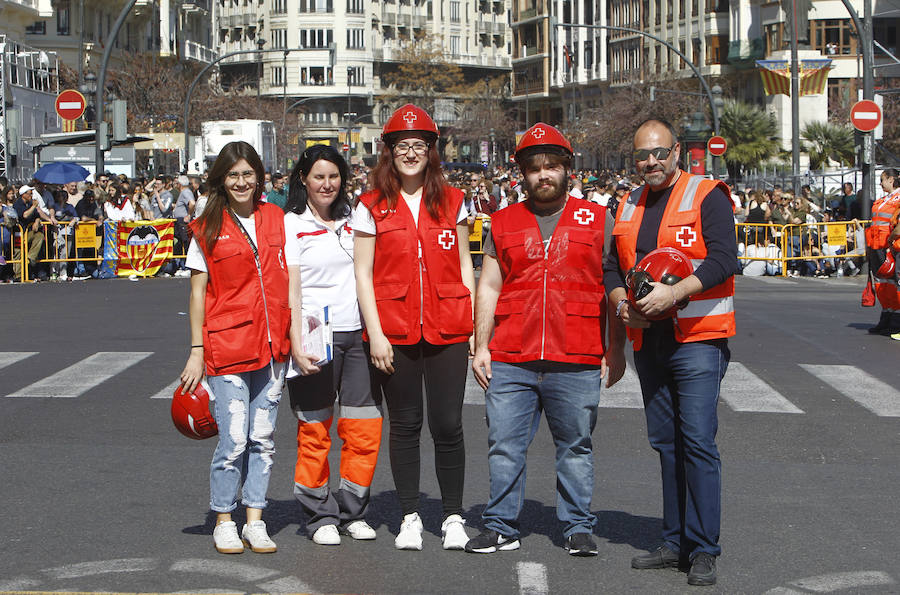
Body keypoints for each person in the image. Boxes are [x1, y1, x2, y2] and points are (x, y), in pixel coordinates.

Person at [465, 123, 624, 557]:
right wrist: (481, 345)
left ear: (568, 169)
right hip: (512, 353)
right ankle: (500, 525)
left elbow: (614, 286)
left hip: (576, 353)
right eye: (534, 168)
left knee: (575, 446)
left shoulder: (598, 220)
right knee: (504, 445)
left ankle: (576, 526)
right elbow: (490, 286)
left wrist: (617, 347)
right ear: (522, 174)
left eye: (552, 165)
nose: (543, 175)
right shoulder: (502, 221)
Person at [604, 119, 739, 587]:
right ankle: (675, 539)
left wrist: (676, 293)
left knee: (698, 441)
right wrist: (625, 309)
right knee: (666, 444)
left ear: (677, 152)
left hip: (698, 338)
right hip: (649, 341)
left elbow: (726, 258)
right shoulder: (628, 202)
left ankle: (704, 549)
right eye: (643, 155)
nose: (651, 162)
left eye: (660, 153)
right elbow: (612, 271)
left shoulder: (707, 194)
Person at [352, 104, 475, 551]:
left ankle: (453, 516)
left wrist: (474, 328)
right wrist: (377, 333)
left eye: (418, 145)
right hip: (394, 331)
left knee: (448, 424)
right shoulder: (370, 206)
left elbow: (465, 264)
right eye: (402, 146)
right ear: (389, 152)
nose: (410, 153)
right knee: (405, 424)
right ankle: (408, 514)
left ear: (431, 151)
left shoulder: (455, 201)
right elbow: (362, 273)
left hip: (449, 327)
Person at [179, 141, 291, 555]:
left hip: (272, 344)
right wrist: (195, 349)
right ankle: (224, 519)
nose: (242, 182)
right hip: (226, 347)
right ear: (221, 180)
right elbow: (196, 294)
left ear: (259, 176)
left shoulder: (277, 218)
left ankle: (255, 520)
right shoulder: (206, 226)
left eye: (248, 174)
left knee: (263, 437)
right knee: (234, 441)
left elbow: (291, 275)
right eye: (233, 175)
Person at [282, 144, 382, 546]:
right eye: (319, 176)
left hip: (357, 334)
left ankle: (354, 509)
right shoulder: (291, 224)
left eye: (334, 176)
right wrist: (293, 339)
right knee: (315, 431)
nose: (327, 184)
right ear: (303, 179)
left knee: (363, 429)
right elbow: (290, 289)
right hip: (312, 336)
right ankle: (319, 514)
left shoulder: (356, 216)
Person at [865, 168, 900, 335]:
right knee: (880, 282)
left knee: (893, 281)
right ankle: (886, 313)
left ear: (891, 180)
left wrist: (891, 244)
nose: (880, 183)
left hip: (889, 246)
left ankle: (895, 317)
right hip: (876, 245)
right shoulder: (883, 199)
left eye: (882, 179)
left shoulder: (898, 198)